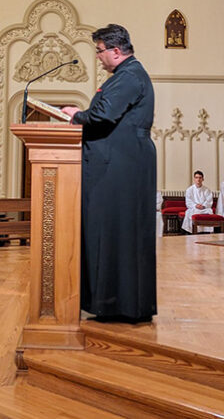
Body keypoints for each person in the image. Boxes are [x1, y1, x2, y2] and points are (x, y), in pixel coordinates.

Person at [61, 24, 156, 323]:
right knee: (110, 231)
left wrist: (74, 115)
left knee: (116, 231)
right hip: (116, 163)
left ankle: (120, 304)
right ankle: (109, 302)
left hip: (121, 166)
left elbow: (103, 115)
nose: (98, 57)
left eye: (100, 51)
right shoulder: (124, 76)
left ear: (116, 51)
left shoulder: (129, 76)